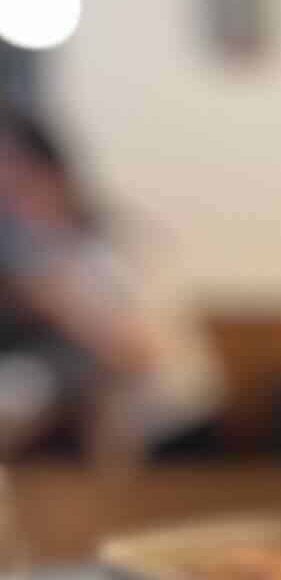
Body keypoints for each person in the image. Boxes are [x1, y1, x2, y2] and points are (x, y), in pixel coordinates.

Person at [0, 109, 225, 461]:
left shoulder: (119, 243)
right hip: (87, 434)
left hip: (170, 431)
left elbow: (141, 353)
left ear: (51, 171)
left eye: (17, 174)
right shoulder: (29, 249)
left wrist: (55, 299)